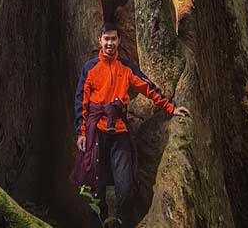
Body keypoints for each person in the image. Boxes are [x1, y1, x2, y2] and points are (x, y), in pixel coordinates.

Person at [70, 22, 190, 228]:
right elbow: (81, 101)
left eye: (113, 39)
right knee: (94, 187)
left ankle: (122, 223)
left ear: (119, 41)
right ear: (100, 40)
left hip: (119, 132)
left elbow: (149, 88)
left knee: (125, 188)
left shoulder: (126, 68)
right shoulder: (89, 68)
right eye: (106, 39)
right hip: (95, 132)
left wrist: (171, 108)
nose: (109, 43)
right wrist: (81, 133)